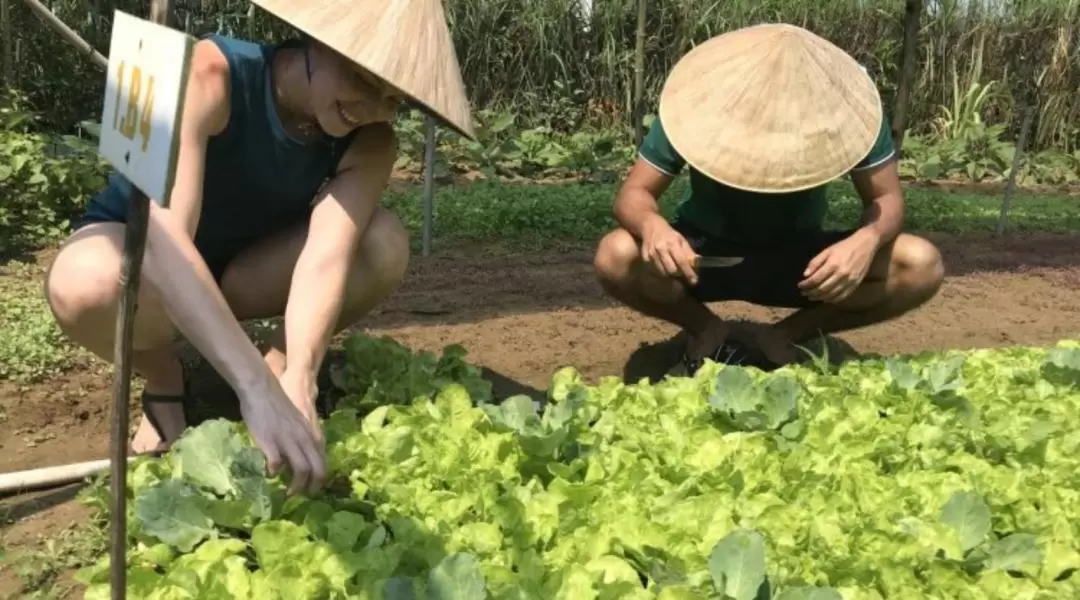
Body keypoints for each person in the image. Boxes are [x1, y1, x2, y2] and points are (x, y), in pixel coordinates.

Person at [42, 1, 474, 495]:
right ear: (318, 42)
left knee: (382, 241)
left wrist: (301, 376)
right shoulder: (211, 73)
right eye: (362, 79)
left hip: (243, 267)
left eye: (393, 98)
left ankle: (279, 370)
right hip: (142, 252)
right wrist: (253, 389)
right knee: (85, 284)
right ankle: (165, 377)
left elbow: (326, 257)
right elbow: (164, 240)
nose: (371, 107)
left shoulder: (372, 142)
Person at [593, 23, 945, 375]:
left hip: (803, 263)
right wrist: (653, 226)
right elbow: (633, 194)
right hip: (702, 258)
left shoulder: (851, 113)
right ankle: (704, 327)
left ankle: (786, 335)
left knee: (920, 264)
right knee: (616, 254)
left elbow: (888, 199)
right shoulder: (696, 106)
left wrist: (866, 240)